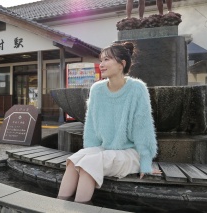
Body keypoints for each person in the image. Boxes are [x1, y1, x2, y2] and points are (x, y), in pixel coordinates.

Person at [57, 42, 162, 203]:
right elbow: (91, 127)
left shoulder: (137, 89)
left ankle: (79, 208)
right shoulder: (97, 89)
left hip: (130, 153)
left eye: (107, 60)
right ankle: (57, 206)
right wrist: (90, 151)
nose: (102, 64)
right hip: (105, 149)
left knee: (88, 164)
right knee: (74, 161)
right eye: (101, 60)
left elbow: (143, 128)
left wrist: (146, 163)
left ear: (122, 64)